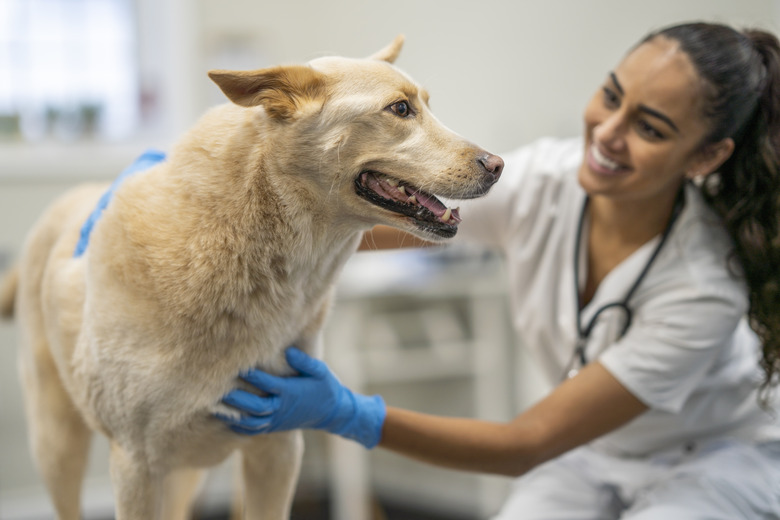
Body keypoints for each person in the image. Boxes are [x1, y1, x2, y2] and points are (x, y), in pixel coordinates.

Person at [217, 22, 780, 519]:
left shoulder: (703, 287)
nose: (608, 133)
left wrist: (347, 414)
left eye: (650, 129)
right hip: (592, 457)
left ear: (706, 158)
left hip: (713, 461)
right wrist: (227, 218)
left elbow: (525, 444)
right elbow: (361, 224)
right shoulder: (546, 180)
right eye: (611, 96)